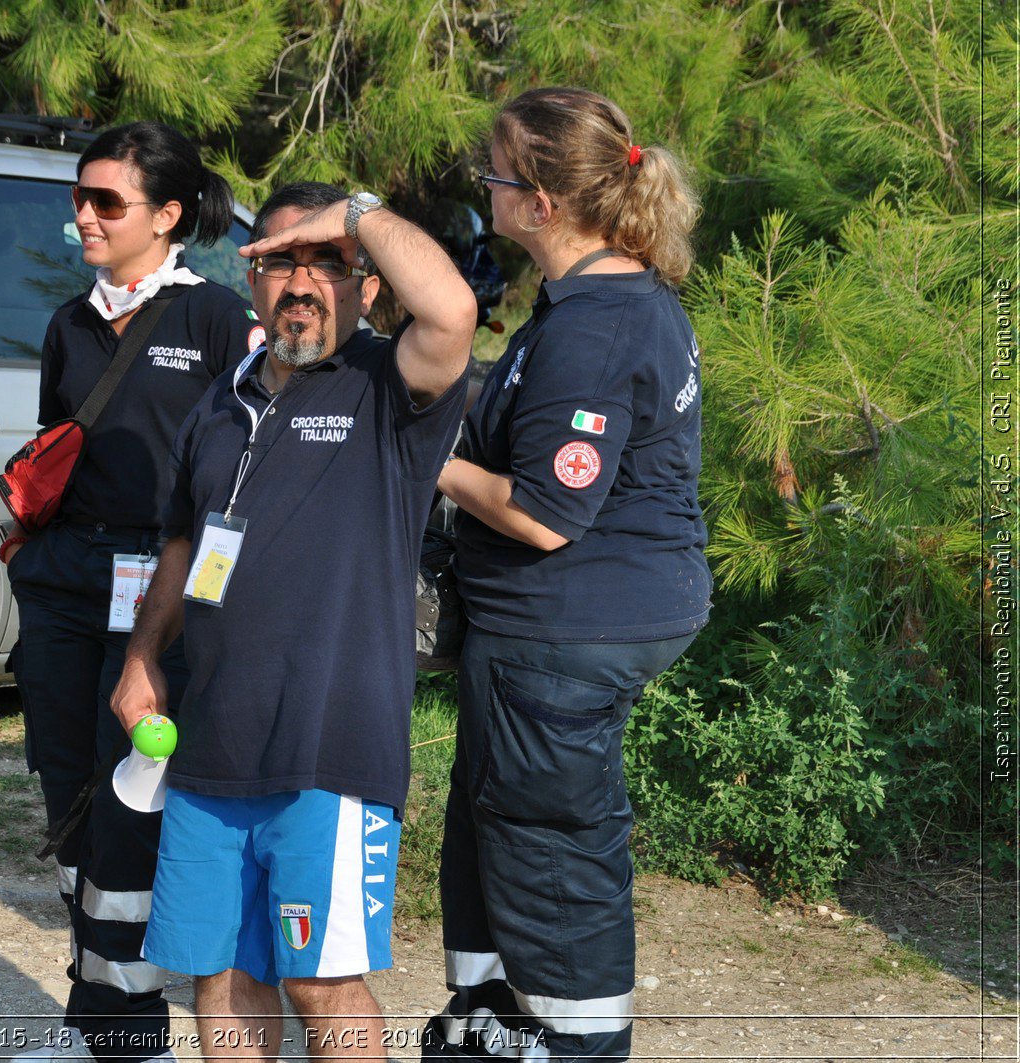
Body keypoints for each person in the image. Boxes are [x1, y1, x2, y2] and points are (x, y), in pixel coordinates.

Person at [110, 181, 476, 1059]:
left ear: (368, 284)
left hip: (330, 751)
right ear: (252, 280)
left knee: (321, 979)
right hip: (208, 751)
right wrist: (142, 658)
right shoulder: (216, 403)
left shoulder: (390, 389)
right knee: (223, 976)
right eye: (280, 261)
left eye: (328, 263)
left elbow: (456, 311)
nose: (301, 282)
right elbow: (181, 546)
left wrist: (355, 213)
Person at [422, 87, 710, 1063]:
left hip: (562, 634)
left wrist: (422, 459)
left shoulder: (594, 327)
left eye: (494, 175)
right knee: (497, 834)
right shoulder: (598, 301)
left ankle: (572, 1045)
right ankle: (490, 1028)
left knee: (547, 853)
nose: (484, 188)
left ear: (541, 201)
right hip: (559, 632)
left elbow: (546, 513)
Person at [3, 120, 258, 1063]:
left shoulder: (217, 321)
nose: (85, 215)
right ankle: (98, 1022)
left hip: (160, 588)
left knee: (129, 801)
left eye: (107, 200)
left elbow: (241, 472)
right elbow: (52, 450)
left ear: (169, 215)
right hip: (63, 581)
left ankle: (132, 1037)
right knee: (67, 791)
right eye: (80, 196)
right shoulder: (69, 323)